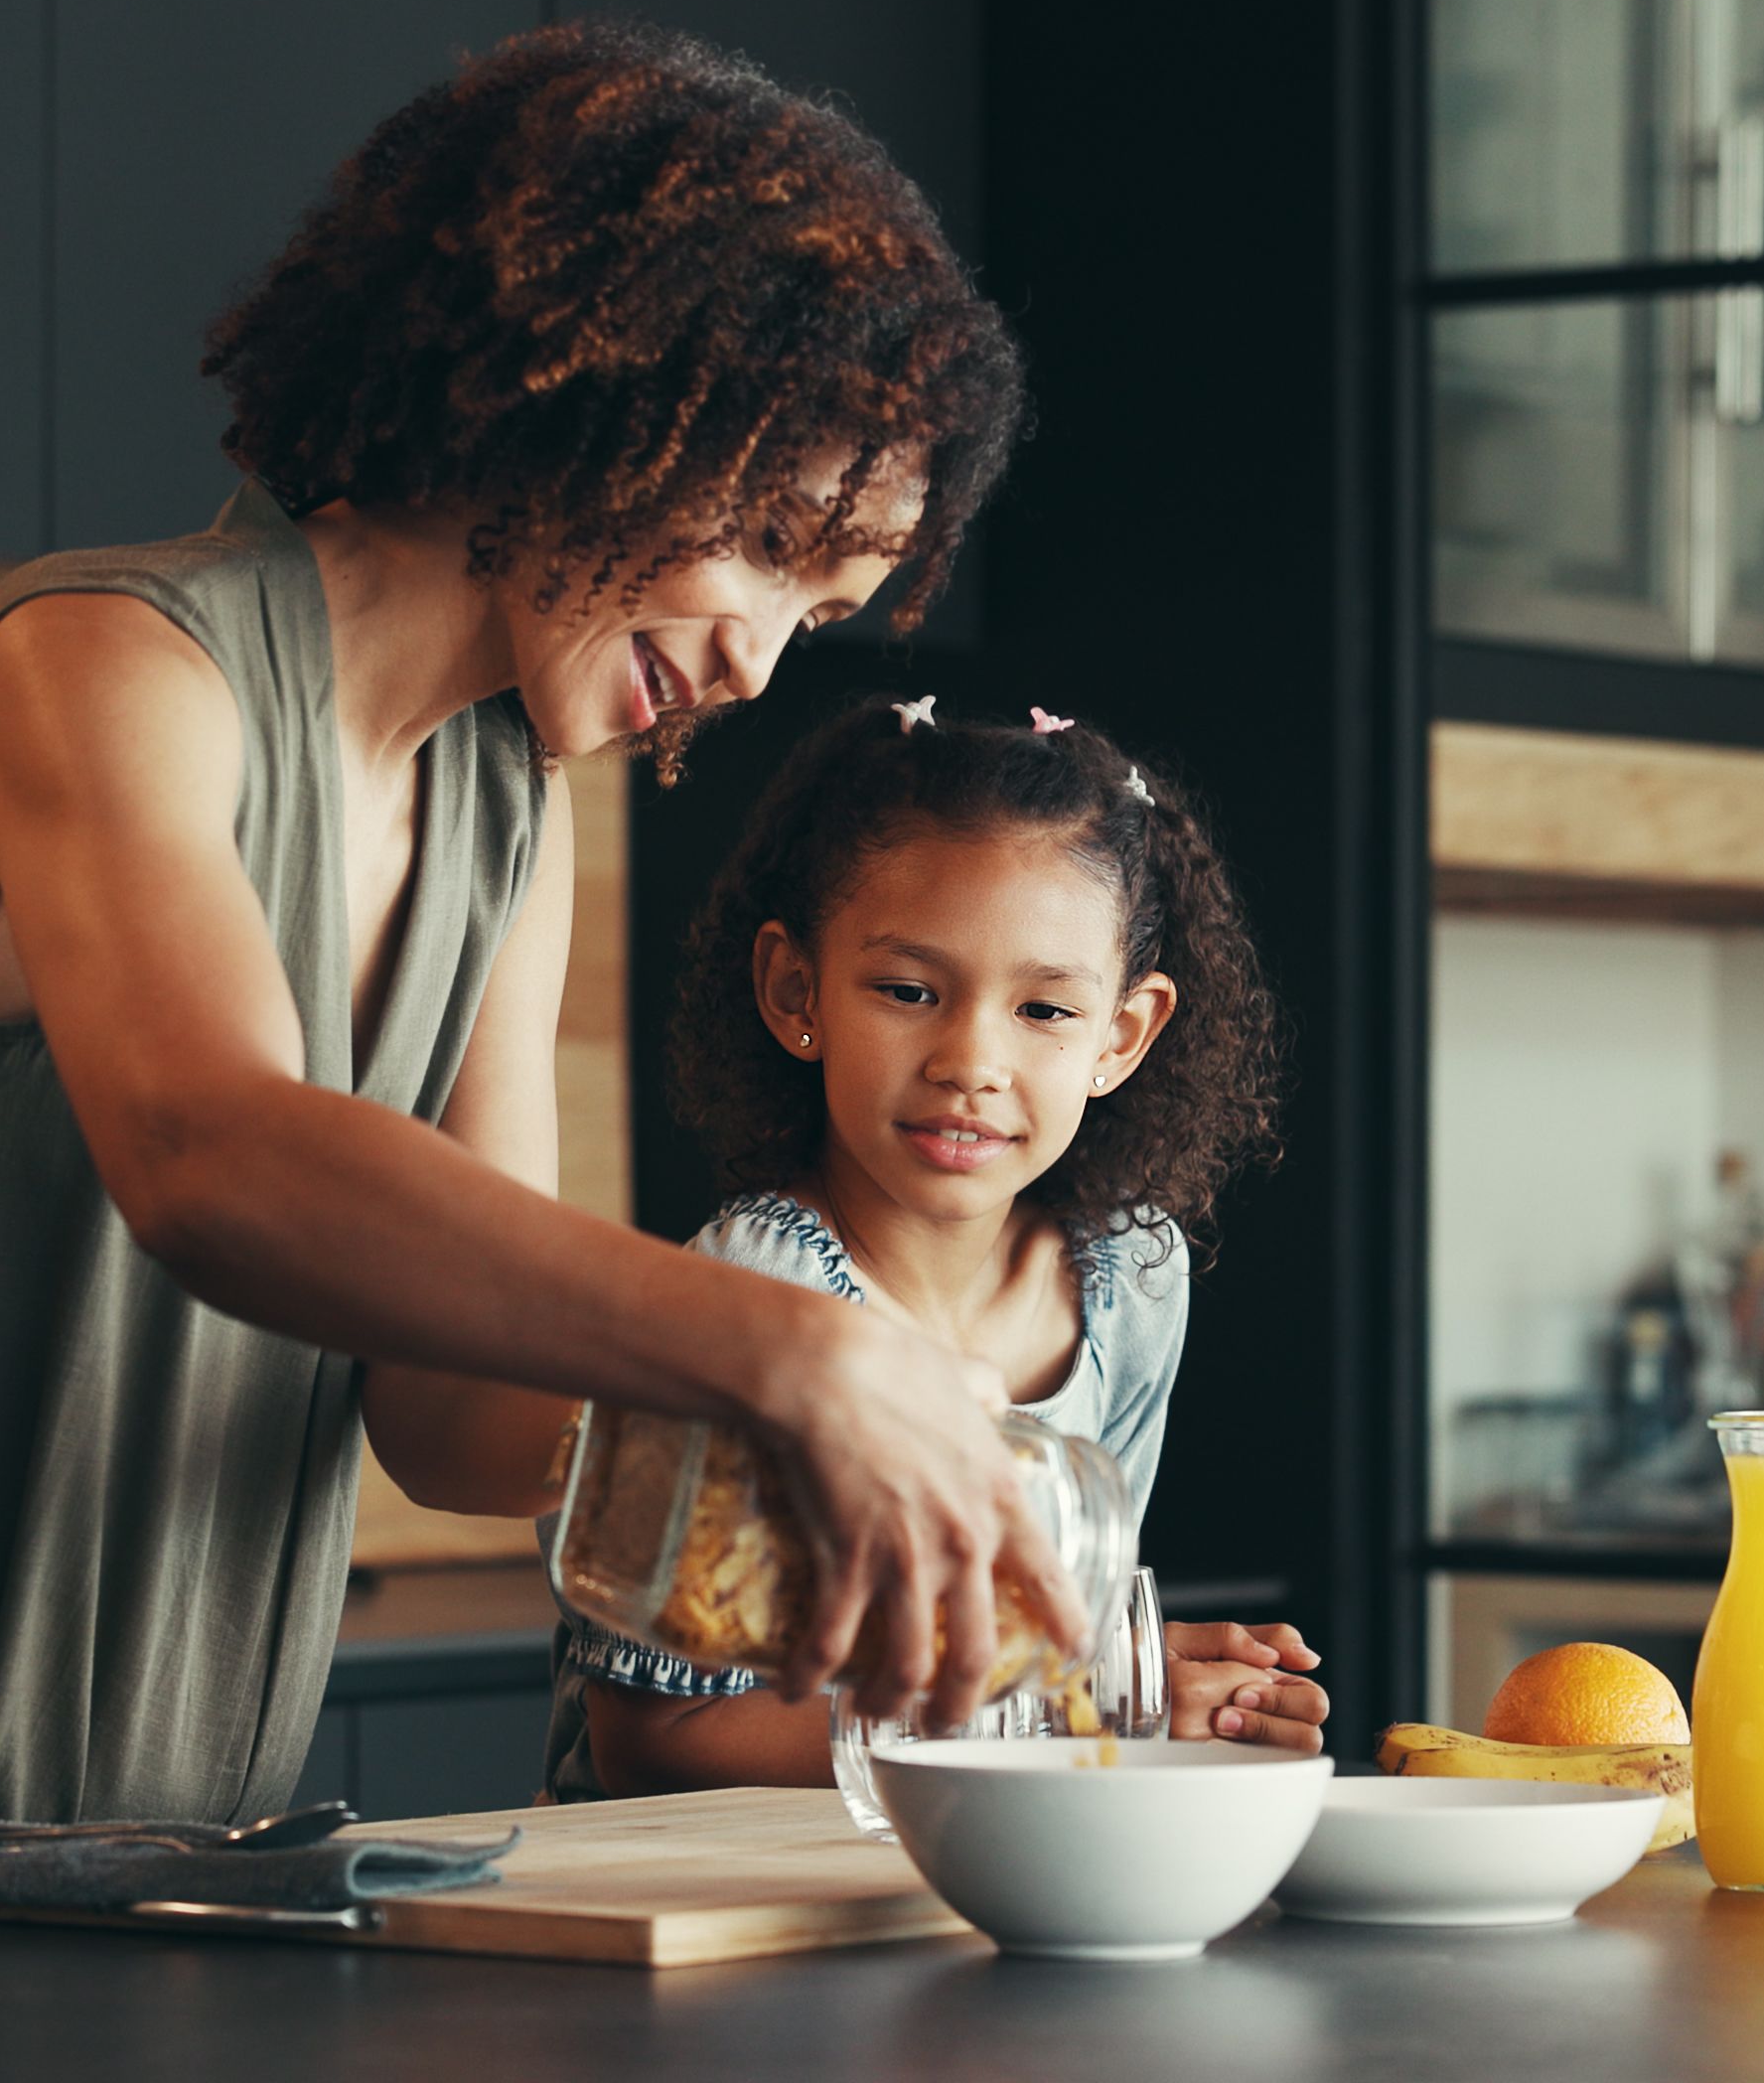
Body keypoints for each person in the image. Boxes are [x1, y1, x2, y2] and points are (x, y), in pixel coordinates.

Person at [0, 22, 1039, 1913]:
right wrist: (790, 1355)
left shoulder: (505, 814)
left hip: (168, 1886)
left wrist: (826, 1470)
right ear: (583, 401)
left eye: (820, 616)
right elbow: (214, 1158)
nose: (756, 665)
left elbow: (453, 1418)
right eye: (763, 551)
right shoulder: (102, 670)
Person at [544, 698, 1325, 1802]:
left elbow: (1045, 1647)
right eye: (909, 992)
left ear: (1123, 1035)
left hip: (950, 1887)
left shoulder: (1129, 1280)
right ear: (793, 990)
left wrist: (1141, 1678)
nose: (971, 1060)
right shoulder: (741, 1300)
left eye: (1045, 1011)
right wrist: (1081, 1709)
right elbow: (654, 1742)